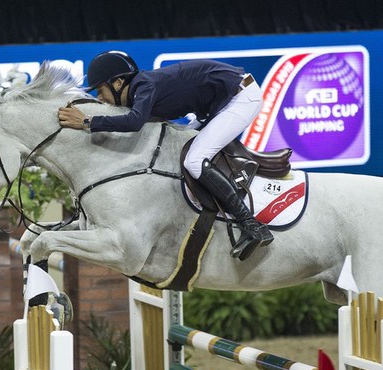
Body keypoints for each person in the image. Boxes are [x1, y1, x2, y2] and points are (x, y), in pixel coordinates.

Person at [58, 51, 273, 261]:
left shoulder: (143, 85)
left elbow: (133, 123)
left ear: (118, 83)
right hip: (220, 102)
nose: (100, 97)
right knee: (183, 151)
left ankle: (251, 225)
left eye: (100, 90)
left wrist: (87, 122)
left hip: (241, 97)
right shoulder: (139, 91)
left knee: (194, 160)